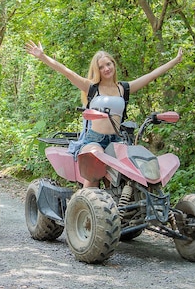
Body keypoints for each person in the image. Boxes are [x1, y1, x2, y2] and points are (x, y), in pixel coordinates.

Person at [25, 41, 183, 188]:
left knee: (119, 183)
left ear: (113, 64)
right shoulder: (91, 87)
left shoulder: (123, 89)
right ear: (97, 70)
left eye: (108, 64)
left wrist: (175, 61)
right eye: (101, 67)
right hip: (95, 140)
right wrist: (42, 56)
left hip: (117, 141)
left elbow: (151, 76)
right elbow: (68, 73)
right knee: (94, 170)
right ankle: (82, 208)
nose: (106, 69)